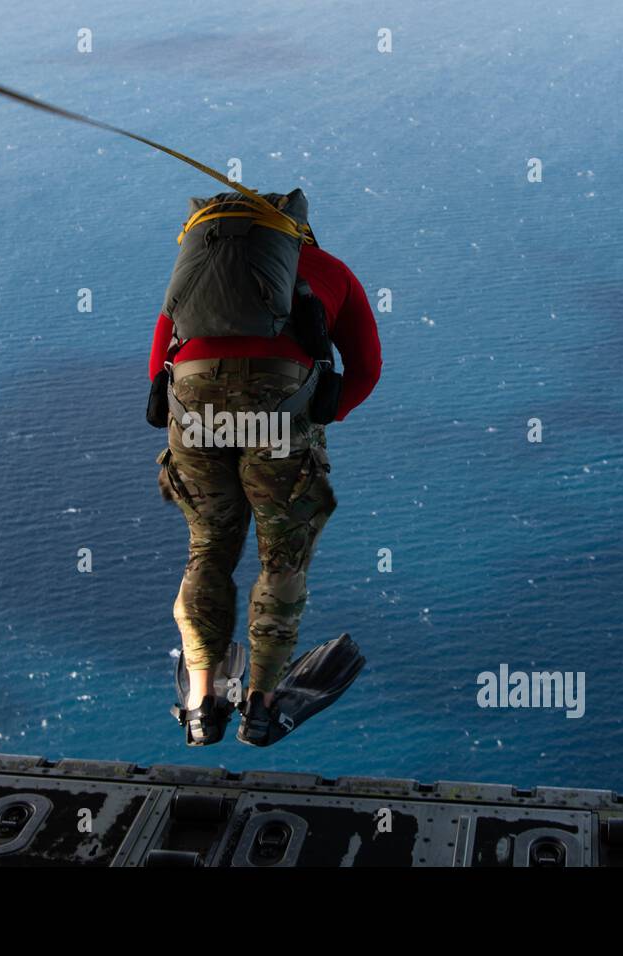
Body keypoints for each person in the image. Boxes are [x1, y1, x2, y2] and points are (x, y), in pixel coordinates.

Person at [151, 223, 381, 746]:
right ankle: (262, 705)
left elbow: (157, 367)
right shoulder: (331, 272)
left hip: (193, 411)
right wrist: (313, 418)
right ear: (299, 239)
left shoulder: (200, 272)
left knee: (207, 550)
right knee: (281, 560)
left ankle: (200, 705)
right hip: (281, 420)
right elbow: (366, 369)